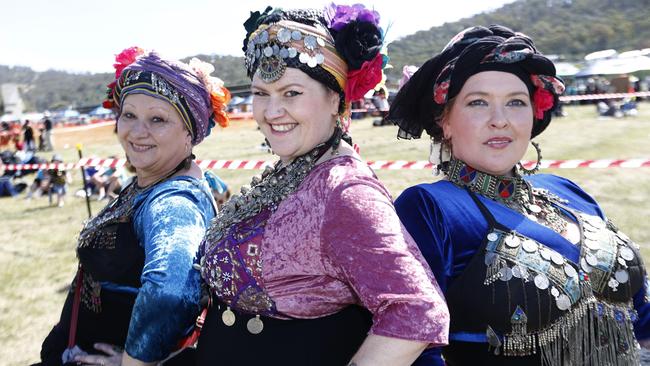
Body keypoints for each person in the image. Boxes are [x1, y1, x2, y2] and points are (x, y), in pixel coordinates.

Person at [195, 4, 449, 366]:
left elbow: (417, 312)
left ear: (335, 98)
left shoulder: (344, 190)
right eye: (261, 93)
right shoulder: (293, 169)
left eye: (291, 93)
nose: (271, 111)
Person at [387, 25, 650, 365]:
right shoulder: (428, 208)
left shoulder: (568, 190)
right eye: (478, 102)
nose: (501, 120)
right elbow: (415, 346)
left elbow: (641, 319)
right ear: (445, 122)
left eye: (516, 102)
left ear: (533, 113)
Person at [37, 47, 230, 366]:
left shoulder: (175, 199)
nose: (138, 132)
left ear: (190, 132)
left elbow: (171, 291)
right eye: (129, 115)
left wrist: (134, 361)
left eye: (158, 119)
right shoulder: (150, 179)